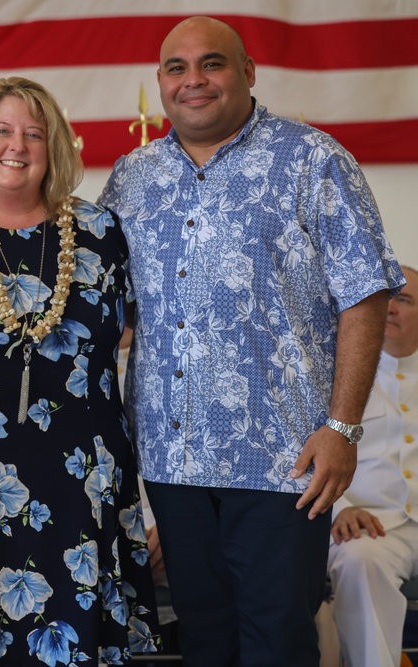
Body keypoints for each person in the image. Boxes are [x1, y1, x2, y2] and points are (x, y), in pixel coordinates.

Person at [97, 15, 405, 666]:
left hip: (281, 462)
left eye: (211, 63)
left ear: (248, 72)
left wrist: (343, 428)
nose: (193, 80)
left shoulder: (314, 160)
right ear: (160, 82)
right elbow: (108, 308)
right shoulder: (132, 177)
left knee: (277, 640)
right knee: (205, 638)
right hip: (172, 460)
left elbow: (365, 292)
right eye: (176, 68)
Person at [0, 77, 160, 666]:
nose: (16, 145)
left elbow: (149, 336)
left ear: (55, 148)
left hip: (77, 480)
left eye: (33, 133)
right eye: (2, 130)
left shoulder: (100, 234)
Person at [327, 265, 418, 667]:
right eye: (384, 298)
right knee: (358, 559)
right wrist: (340, 510)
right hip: (372, 526)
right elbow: (300, 459)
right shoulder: (337, 376)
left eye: (403, 298)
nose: (391, 308)